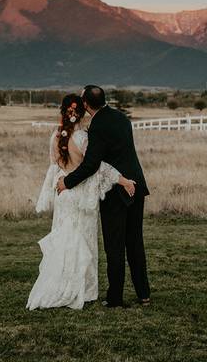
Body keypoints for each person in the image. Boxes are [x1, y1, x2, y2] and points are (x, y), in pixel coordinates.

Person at [27, 93, 137, 310]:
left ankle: (59, 283)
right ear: (80, 113)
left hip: (63, 195)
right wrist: (123, 180)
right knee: (83, 242)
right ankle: (84, 290)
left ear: (64, 111)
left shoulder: (55, 136)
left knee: (65, 239)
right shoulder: (82, 138)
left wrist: (55, 188)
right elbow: (96, 167)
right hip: (79, 197)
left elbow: (53, 169)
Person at [57, 85, 151, 308]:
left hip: (115, 190)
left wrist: (66, 182)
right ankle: (144, 294)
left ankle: (115, 298)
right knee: (135, 242)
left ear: (86, 104)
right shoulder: (121, 118)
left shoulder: (97, 125)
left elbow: (91, 164)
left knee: (115, 245)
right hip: (137, 185)